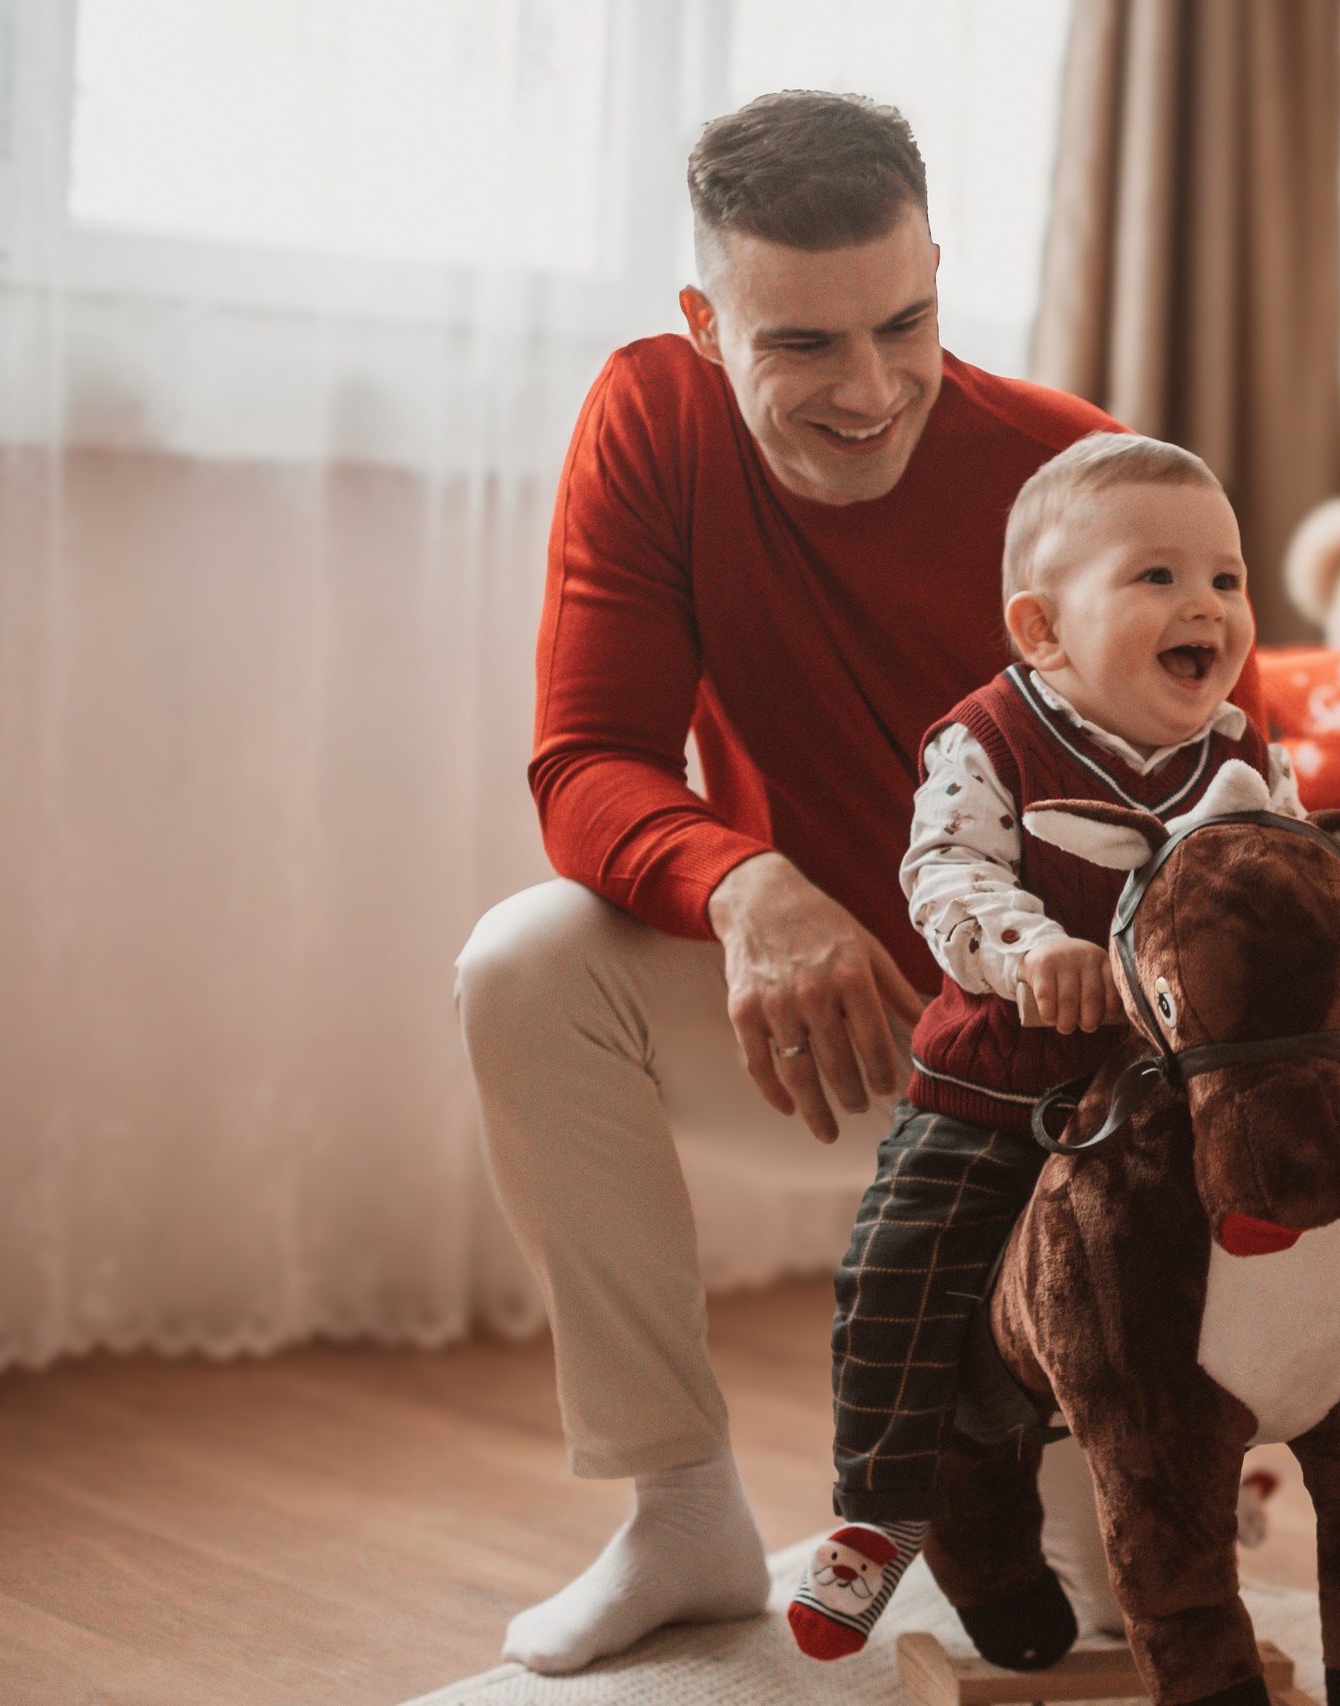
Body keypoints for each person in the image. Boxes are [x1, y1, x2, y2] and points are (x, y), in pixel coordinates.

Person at [451, 91, 1173, 1675]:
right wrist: (742, 883)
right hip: (827, 1033)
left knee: (1115, 1614)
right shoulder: (652, 416)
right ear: (706, 322)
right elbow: (586, 759)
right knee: (524, 961)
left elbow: (1227, 801)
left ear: (936, 275)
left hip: (1069, 1077)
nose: (869, 391)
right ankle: (680, 1509)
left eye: (903, 323)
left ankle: (1104, 1460)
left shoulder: (1073, 471)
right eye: (801, 347)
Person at [787, 431, 1298, 1659]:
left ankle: (1231, 1460)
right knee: (902, 1265)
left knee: (1239, 1268)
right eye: (1157, 577)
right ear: (1043, 629)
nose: (1207, 607)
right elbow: (946, 870)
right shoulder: (987, 738)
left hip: (1165, 1100)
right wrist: (1028, 950)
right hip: (996, 1087)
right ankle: (883, 1505)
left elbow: (1283, 880)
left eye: (1225, 579)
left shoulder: (1239, 755)